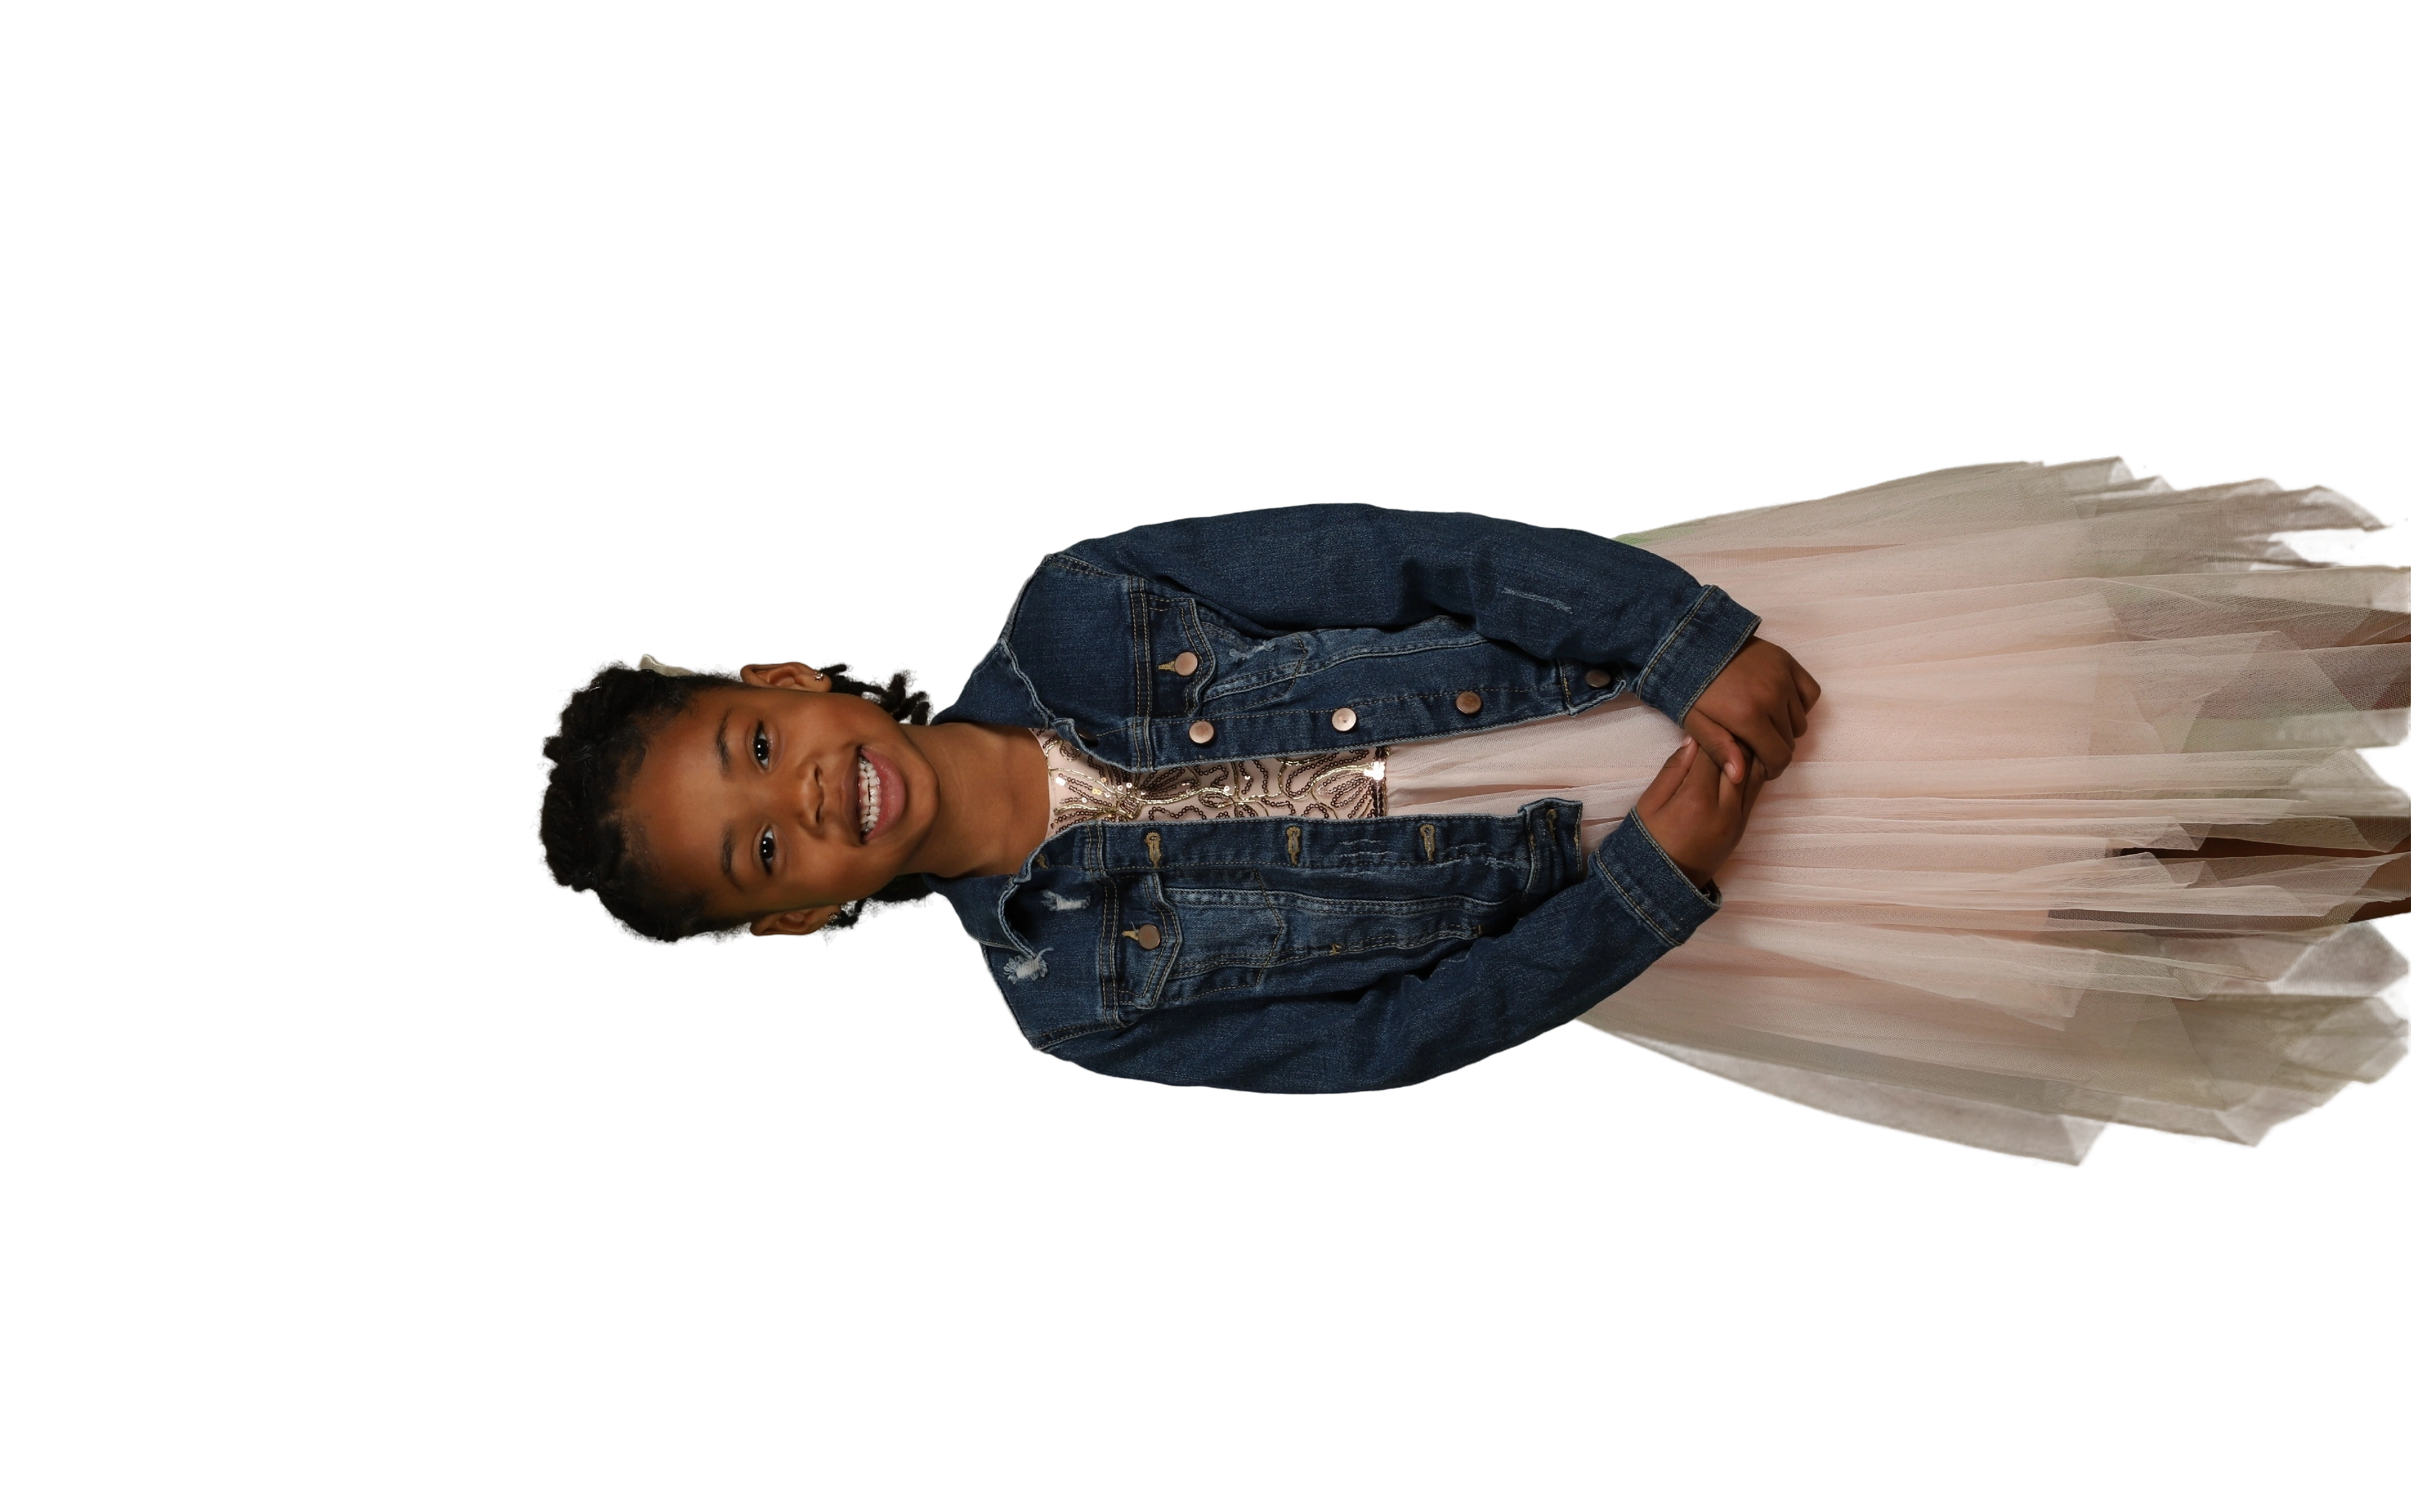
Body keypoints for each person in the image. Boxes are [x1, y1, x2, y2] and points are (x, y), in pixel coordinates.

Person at [530, 455, 2411, 1171]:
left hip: (1658, 677)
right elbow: (1389, 1037)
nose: (803, 798)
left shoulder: (1083, 602)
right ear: (794, 917)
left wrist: (1679, 637)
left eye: (751, 746)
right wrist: (1651, 893)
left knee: (2113, 722)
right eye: (759, 851)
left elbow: (1406, 557)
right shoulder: (1081, 1003)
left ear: (782, 684)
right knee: (2098, 904)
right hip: (1662, 886)